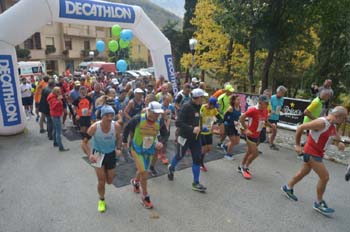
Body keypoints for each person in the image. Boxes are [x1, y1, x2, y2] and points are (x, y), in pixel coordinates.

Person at [281, 106, 347, 216]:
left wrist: (339, 142)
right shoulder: (321, 123)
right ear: (337, 116)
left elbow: (335, 136)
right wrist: (297, 145)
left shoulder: (332, 124)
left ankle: (287, 187)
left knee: (303, 172)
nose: (344, 121)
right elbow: (300, 128)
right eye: (343, 118)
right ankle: (319, 202)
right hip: (311, 152)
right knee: (324, 177)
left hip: (318, 153)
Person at [122, 101, 167, 209]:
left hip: (149, 149)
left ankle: (135, 181)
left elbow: (165, 134)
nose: (157, 115)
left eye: (159, 113)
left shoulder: (159, 121)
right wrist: (124, 141)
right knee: (144, 172)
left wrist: (161, 142)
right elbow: (127, 127)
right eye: (155, 113)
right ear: (149, 111)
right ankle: (145, 196)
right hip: (136, 149)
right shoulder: (139, 118)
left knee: (143, 171)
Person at [81, 105, 122, 213]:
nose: (109, 118)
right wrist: (90, 154)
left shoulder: (116, 126)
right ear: (102, 116)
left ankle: (108, 173)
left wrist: (118, 148)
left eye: (111, 115)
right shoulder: (94, 127)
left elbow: (119, 138)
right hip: (98, 154)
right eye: (107, 115)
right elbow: (84, 143)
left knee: (109, 181)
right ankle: (101, 200)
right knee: (101, 180)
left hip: (111, 154)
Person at [168, 88, 208, 192]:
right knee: (180, 155)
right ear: (196, 98)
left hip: (196, 138)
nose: (203, 99)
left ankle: (196, 182)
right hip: (184, 137)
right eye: (202, 97)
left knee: (197, 159)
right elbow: (178, 123)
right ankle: (171, 168)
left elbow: (197, 119)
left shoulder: (199, 106)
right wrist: (192, 128)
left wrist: (202, 127)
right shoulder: (186, 107)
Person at [238, 95, 270, 179]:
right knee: (255, 153)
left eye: (263, 104)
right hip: (250, 135)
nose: (261, 105)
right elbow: (241, 118)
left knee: (249, 152)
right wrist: (246, 129)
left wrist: (270, 126)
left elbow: (265, 121)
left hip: (257, 135)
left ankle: (241, 166)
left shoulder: (265, 110)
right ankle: (245, 168)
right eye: (259, 103)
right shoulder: (253, 110)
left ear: (266, 104)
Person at [199, 97, 221, 171]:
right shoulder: (203, 108)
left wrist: (215, 124)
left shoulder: (214, 109)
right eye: (214, 105)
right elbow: (199, 118)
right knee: (204, 149)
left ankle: (199, 156)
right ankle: (200, 163)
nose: (215, 107)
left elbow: (220, 118)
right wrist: (200, 127)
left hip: (209, 131)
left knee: (208, 149)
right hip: (201, 132)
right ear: (209, 104)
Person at [47, 87, 69, 152]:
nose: (60, 93)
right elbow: (53, 106)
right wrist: (59, 101)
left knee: (55, 130)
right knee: (58, 131)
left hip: (55, 114)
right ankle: (61, 147)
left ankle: (55, 143)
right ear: (55, 92)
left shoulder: (53, 96)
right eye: (59, 92)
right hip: (55, 115)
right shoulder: (53, 97)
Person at [268, 86, 287, 150]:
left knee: (273, 131)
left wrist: (282, 110)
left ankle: (270, 143)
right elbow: (267, 106)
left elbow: (281, 107)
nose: (283, 95)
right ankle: (269, 142)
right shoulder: (272, 98)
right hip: (269, 117)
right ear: (278, 92)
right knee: (272, 131)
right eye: (282, 93)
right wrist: (270, 111)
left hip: (276, 118)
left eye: (284, 93)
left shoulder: (282, 99)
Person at [222, 94, 241, 160]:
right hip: (229, 126)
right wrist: (231, 122)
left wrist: (238, 121)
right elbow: (225, 117)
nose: (239, 101)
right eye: (237, 100)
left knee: (237, 141)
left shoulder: (239, 107)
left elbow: (238, 116)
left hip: (236, 126)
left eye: (239, 100)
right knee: (233, 141)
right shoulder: (230, 108)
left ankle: (225, 146)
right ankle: (228, 155)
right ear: (233, 101)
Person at [217, 84, 235, 148]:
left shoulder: (233, 97)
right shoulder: (221, 97)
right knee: (222, 132)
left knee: (225, 132)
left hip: (229, 116)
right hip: (221, 116)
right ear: (226, 91)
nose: (231, 92)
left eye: (231, 91)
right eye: (230, 91)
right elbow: (217, 106)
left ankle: (220, 143)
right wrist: (221, 112)